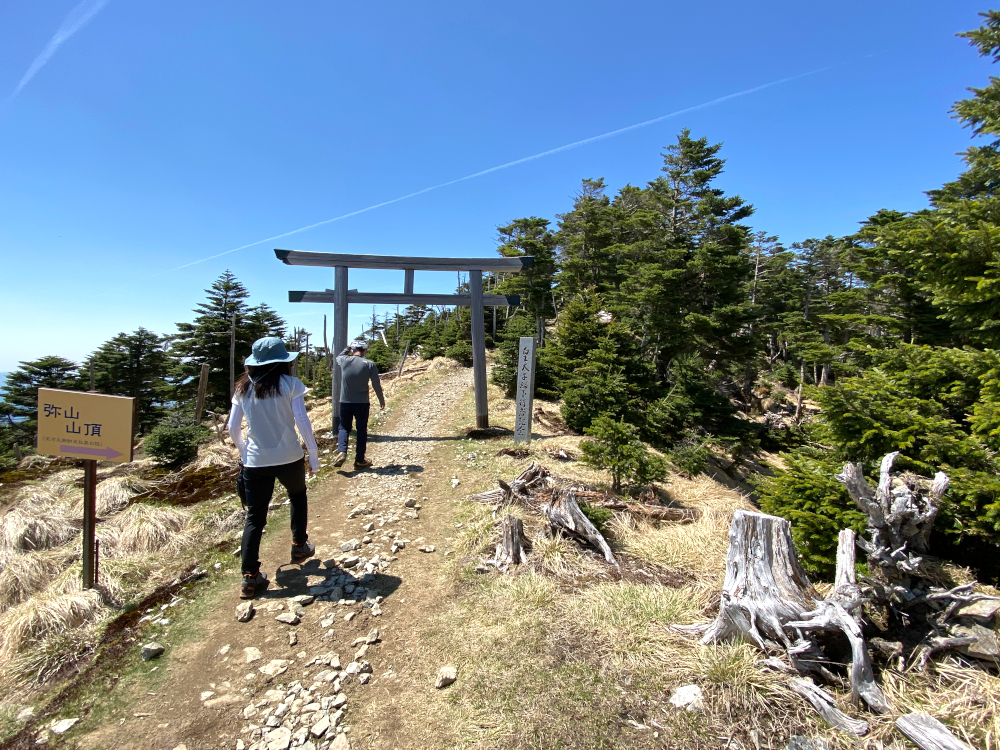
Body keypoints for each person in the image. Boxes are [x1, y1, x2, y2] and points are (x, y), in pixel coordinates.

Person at [228, 336, 319, 600]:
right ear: (282, 362)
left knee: (255, 517)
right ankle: (299, 545)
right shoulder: (290, 384)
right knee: (297, 496)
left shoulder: (242, 388)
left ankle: (250, 577)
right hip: (289, 455)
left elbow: (234, 428)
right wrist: (313, 456)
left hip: (255, 461)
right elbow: (302, 422)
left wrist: (245, 452)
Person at [332, 339, 385, 469]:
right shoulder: (370, 364)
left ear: (352, 350)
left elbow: (339, 356)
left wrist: (347, 346)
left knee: (344, 427)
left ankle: (342, 451)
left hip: (345, 401)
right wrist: (381, 400)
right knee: (361, 430)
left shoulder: (344, 360)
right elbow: (376, 384)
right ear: (365, 350)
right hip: (362, 403)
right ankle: (360, 460)